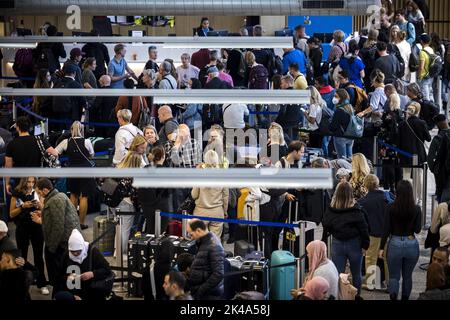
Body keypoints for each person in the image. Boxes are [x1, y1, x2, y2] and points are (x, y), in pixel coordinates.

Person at [31, 178, 81, 297]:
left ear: (45, 190)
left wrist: (51, 248)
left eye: (39, 192)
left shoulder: (55, 200)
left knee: (62, 277)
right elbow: (56, 219)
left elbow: (58, 226)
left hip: (62, 246)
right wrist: (44, 215)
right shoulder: (58, 197)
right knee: (67, 277)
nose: (38, 195)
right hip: (66, 244)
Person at [322, 181, 370, 294]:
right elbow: (364, 229)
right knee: (356, 274)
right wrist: (365, 245)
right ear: (350, 193)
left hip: (337, 244)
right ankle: (356, 296)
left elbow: (325, 224)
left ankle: (340, 295)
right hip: (355, 244)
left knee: (338, 274)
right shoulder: (357, 210)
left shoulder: (331, 210)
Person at [380, 180, 422, 300]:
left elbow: (386, 229)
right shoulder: (416, 208)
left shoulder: (390, 207)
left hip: (395, 243)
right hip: (411, 242)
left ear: (397, 192)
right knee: (407, 276)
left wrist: (381, 248)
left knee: (394, 277)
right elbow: (418, 230)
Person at [9, 177, 49, 295]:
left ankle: (41, 283)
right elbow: (11, 214)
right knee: (22, 257)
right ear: (24, 181)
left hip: (36, 227)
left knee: (38, 256)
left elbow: (44, 208)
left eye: (33, 182)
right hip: (22, 227)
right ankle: (23, 285)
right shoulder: (17, 193)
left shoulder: (38, 192)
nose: (31, 185)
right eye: (29, 182)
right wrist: (22, 207)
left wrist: (38, 205)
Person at [55, 121, 96, 229]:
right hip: (85, 171)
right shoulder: (87, 142)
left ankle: (73, 223)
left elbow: (55, 152)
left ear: (71, 130)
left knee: (73, 195)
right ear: (82, 130)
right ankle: (81, 223)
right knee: (84, 196)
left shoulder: (66, 142)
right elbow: (92, 154)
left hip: (72, 170)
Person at [4, 116, 56, 195]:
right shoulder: (39, 140)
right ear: (29, 127)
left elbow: (8, 166)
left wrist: (7, 183)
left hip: (20, 181)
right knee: (37, 203)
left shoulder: (12, 144)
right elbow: (54, 153)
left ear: (17, 127)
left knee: (20, 204)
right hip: (36, 179)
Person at [357, 174, 390, 290]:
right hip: (388, 234)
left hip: (372, 234)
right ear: (377, 184)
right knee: (387, 259)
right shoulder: (388, 197)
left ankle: (370, 283)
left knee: (371, 258)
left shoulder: (362, 202)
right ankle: (390, 284)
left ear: (365, 186)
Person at [62, 229, 113, 300]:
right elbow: (60, 275)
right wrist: (68, 277)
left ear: (82, 247)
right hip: (75, 294)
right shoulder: (66, 255)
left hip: (93, 293)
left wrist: (92, 274)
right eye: (72, 251)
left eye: (78, 251)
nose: (75, 254)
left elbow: (107, 270)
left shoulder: (93, 252)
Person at [398, 102, 431, 205]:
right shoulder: (421, 123)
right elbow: (428, 138)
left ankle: (406, 198)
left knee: (406, 175)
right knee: (419, 175)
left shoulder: (403, 124)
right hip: (419, 152)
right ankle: (420, 198)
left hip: (405, 153)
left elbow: (398, 140)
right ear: (418, 111)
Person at [192, 150, 229, 238]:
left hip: (200, 212)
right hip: (217, 211)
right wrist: (225, 211)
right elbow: (225, 196)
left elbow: (194, 195)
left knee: (200, 241)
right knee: (215, 241)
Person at [187, 219, 224, 300]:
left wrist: (200, 291)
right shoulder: (204, 242)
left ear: (198, 230)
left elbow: (218, 274)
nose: (190, 238)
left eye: (191, 235)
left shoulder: (214, 246)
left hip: (209, 295)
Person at [138, 146, 170, 235]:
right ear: (163, 156)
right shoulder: (165, 171)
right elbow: (170, 191)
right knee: (160, 232)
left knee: (150, 229)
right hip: (161, 206)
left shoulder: (145, 168)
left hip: (147, 206)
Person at [115, 152, 141, 255]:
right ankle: (122, 253)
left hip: (115, 202)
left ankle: (117, 251)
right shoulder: (133, 174)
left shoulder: (119, 169)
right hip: (127, 203)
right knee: (125, 229)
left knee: (119, 227)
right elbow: (135, 192)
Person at [428, 114, 450, 202]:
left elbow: (430, 157)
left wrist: (433, 169)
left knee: (441, 195)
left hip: (441, 172)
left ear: (438, 124)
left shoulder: (438, 138)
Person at [329, 89, 354, 159]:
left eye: (336, 96)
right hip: (350, 136)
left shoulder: (339, 111)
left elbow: (333, 127)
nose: (334, 98)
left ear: (341, 98)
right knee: (349, 158)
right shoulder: (350, 108)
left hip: (340, 137)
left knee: (341, 159)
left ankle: (343, 170)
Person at [275, 75, 301, 140]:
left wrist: (276, 122)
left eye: (282, 83)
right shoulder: (298, 94)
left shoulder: (285, 94)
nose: (280, 86)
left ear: (287, 83)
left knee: (287, 145)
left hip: (285, 124)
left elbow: (282, 111)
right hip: (296, 123)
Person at [417, 33, 435, 102]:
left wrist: (418, 77)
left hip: (424, 76)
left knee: (425, 97)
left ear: (421, 41)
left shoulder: (422, 52)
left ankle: (427, 111)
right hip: (430, 75)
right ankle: (433, 110)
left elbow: (421, 67)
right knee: (430, 94)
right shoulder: (431, 49)